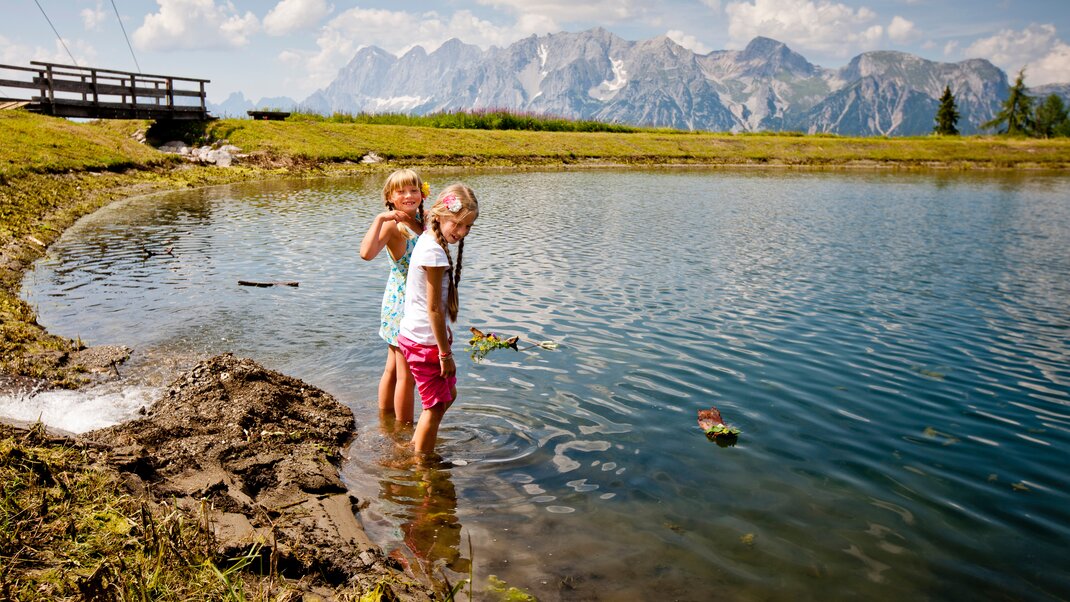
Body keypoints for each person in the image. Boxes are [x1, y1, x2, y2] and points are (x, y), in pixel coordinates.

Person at [397, 184, 479, 455]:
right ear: (441, 214)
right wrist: (444, 353)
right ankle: (423, 464)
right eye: (457, 223)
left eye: (468, 227)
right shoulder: (433, 250)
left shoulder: (428, 237)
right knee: (434, 407)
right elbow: (434, 308)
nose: (462, 232)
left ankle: (414, 446)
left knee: (447, 397)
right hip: (425, 342)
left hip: (418, 336)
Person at [360, 169, 428, 423]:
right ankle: (403, 430)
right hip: (402, 303)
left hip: (416, 301)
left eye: (414, 190)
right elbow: (366, 254)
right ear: (390, 196)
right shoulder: (392, 225)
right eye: (401, 191)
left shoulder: (424, 219)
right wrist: (379, 219)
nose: (409, 195)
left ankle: (385, 421)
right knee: (406, 374)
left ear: (422, 193)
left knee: (393, 366)